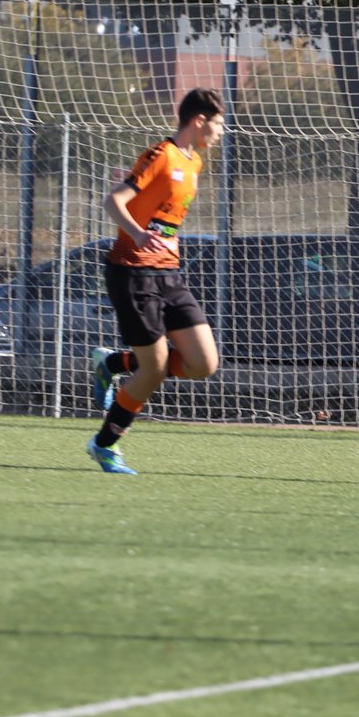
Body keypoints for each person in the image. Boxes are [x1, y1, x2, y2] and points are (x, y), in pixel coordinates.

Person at [86, 88, 227, 474]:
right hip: (133, 273)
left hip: (169, 274)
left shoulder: (194, 161)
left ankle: (113, 362)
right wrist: (136, 233)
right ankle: (104, 445)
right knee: (154, 369)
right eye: (218, 124)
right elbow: (114, 200)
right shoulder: (160, 154)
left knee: (204, 363)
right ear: (199, 120)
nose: (221, 132)